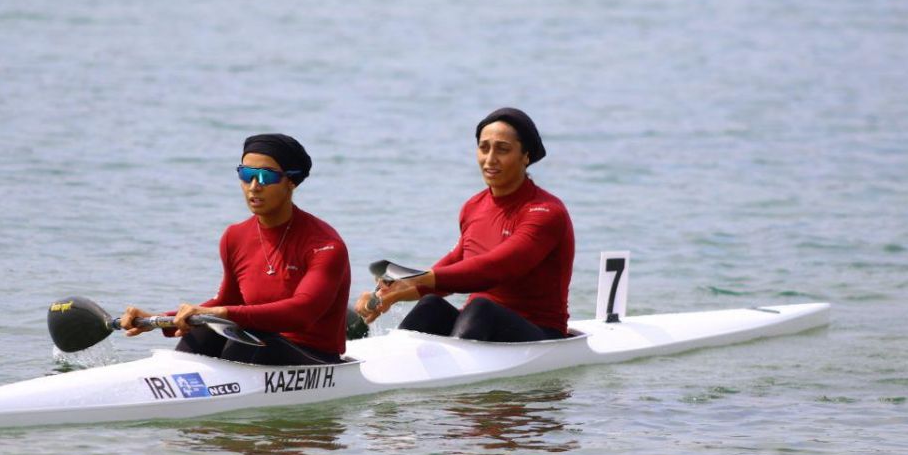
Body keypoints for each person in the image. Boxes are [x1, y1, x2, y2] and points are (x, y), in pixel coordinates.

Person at [121, 134, 350, 365]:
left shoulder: (325, 245)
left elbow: (302, 312)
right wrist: (159, 319)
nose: (254, 187)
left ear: (291, 181)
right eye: (246, 175)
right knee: (205, 329)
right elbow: (228, 300)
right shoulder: (235, 236)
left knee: (244, 336)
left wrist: (223, 314)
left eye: (266, 176)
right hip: (259, 351)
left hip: (314, 359)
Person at [355, 108, 574, 342]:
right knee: (431, 305)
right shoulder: (474, 206)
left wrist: (413, 277)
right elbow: (454, 267)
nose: (490, 159)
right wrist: (391, 294)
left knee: (481, 308)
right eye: (484, 148)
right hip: (478, 326)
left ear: (526, 156)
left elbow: (495, 269)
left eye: (502, 149)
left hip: (540, 332)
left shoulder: (546, 212)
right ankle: (393, 357)